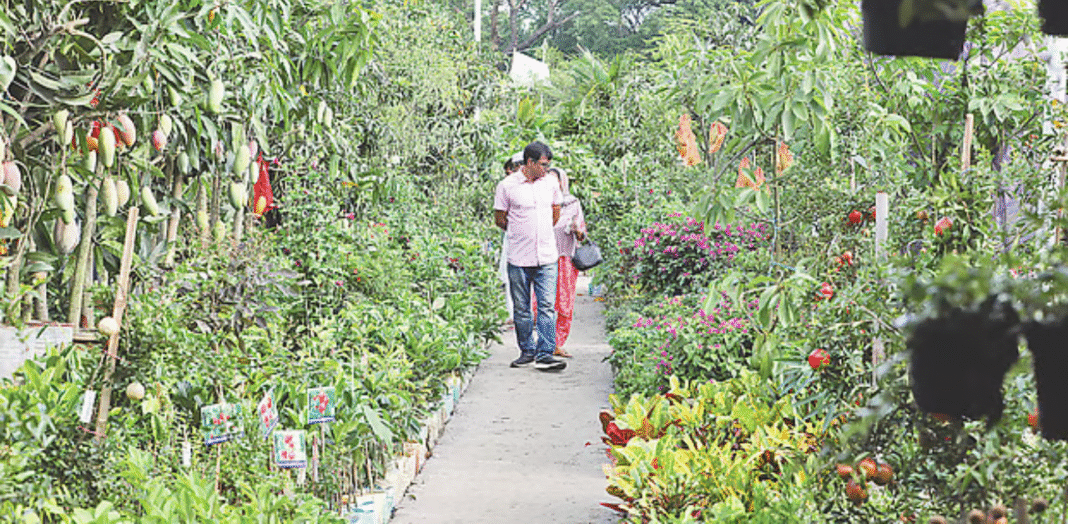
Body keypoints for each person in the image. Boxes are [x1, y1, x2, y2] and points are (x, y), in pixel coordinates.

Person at [493, 141, 566, 371]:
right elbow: (500, 219)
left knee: (546, 306)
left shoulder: (551, 184)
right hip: (519, 257)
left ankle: (545, 353)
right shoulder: (507, 186)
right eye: (543, 165)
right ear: (530, 162)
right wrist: (520, 233)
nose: (547, 169)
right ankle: (527, 350)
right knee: (522, 307)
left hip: (546, 256)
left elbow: (555, 212)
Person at [548, 167, 585, 358]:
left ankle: (558, 343)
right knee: (541, 302)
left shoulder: (572, 203)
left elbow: (582, 233)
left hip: (566, 260)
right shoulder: (541, 202)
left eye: (556, 181)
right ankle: (545, 341)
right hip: (543, 258)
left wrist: (578, 230)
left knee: (564, 303)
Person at [497, 153, 523, 324]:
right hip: (513, 238)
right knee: (512, 278)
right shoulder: (506, 188)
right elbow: (500, 217)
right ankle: (514, 314)